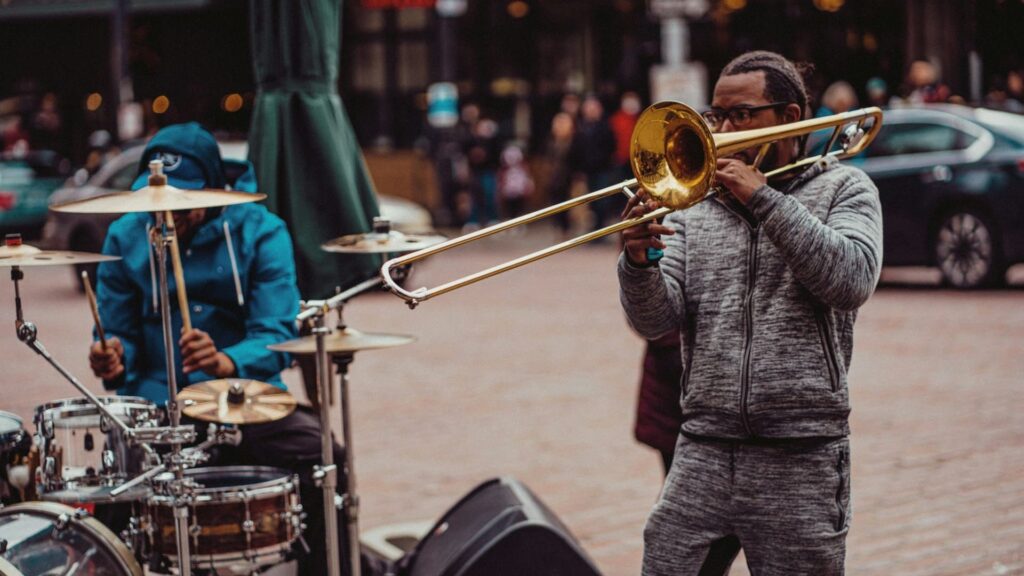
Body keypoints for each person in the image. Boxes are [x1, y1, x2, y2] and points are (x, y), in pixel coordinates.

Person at [618, 51, 883, 575]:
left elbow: (850, 280)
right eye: (714, 116)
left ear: (789, 118)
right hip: (702, 447)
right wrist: (638, 263)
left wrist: (765, 200)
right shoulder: (694, 209)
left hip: (799, 455)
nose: (718, 132)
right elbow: (656, 322)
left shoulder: (845, 189)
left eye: (739, 115)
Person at [87, 123, 354, 575]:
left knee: (325, 457)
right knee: (113, 498)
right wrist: (112, 357)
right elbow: (118, 333)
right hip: (158, 403)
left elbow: (278, 334)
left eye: (185, 201)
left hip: (246, 395)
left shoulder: (261, 231)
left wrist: (227, 361)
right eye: (161, 201)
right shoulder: (124, 236)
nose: (169, 213)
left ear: (212, 188)